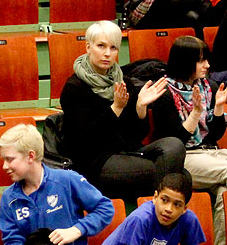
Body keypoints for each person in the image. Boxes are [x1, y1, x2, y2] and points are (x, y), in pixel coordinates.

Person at [60, 21, 186, 205]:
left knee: (174, 146)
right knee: (179, 176)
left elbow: (135, 136)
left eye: (113, 48)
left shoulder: (123, 82)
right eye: (101, 46)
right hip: (93, 161)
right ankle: (154, 211)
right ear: (88, 47)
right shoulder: (74, 88)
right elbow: (85, 140)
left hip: (126, 153)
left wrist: (140, 108)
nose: (107, 53)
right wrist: (116, 108)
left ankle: (155, 206)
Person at [0, 122, 115, 245]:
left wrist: (77, 230)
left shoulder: (67, 180)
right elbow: (12, 241)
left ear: (30, 156)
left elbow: (105, 208)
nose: (5, 166)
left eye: (10, 159)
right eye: (3, 159)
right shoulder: (9, 198)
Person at [153, 35, 227, 245]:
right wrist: (195, 113)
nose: (208, 65)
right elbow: (175, 143)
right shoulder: (164, 94)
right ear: (185, 62)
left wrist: (219, 109)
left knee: (224, 192)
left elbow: (214, 135)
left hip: (209, 153)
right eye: (201, 60)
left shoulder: (208, 87)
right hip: (184, 159)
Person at [125, 0, 210, 36]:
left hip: (173, 8)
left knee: (193, 17)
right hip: (146, 9)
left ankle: (202, 54)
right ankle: (214, 41)